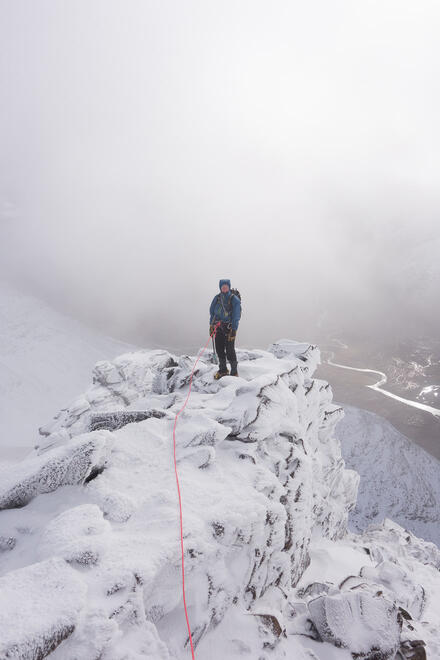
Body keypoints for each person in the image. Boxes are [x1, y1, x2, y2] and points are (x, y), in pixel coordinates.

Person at [209, 279, 241, 379]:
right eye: (223, 286)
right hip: (218, 327)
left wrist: (234, 330)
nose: (224, 288)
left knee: (230, 350)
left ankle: (234, 372)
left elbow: (236, 316)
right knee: (219, 348)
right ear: (220, 287)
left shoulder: (234, 299)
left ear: (229, 287)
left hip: (229, 328)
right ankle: (223, 370)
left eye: (226, 286)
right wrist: (211, 325)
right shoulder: (217, 298)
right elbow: (212, 313)